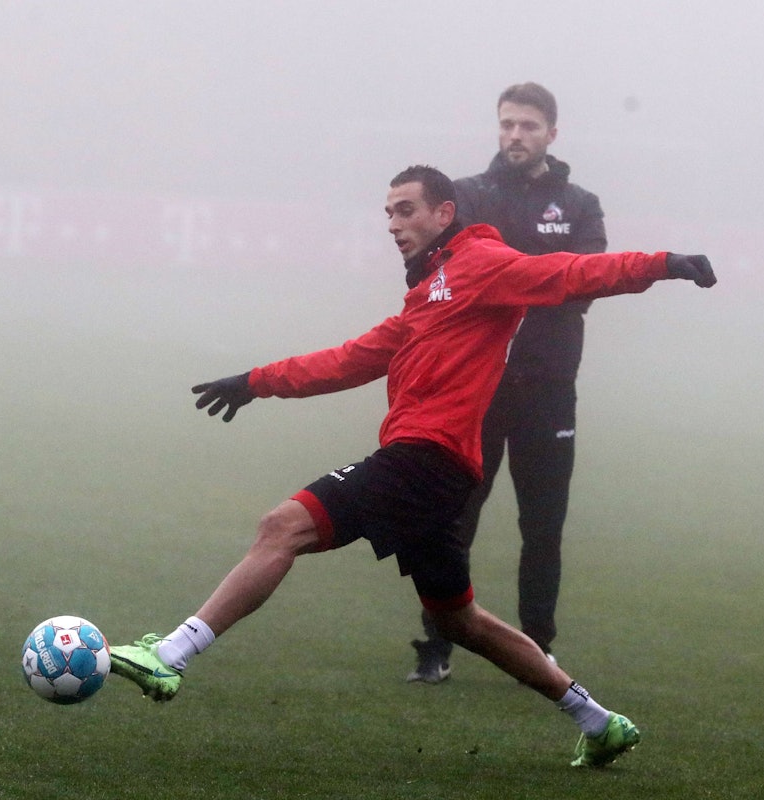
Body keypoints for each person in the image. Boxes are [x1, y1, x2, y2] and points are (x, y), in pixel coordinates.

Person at [109, 165, 716, 768]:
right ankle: (599, 721)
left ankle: (170, 655)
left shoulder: (481, 265)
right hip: (442, 472)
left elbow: (570, 272)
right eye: (388, 214)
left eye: (406, 209)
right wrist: (254, 382)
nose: (394, 224)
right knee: (460, 620)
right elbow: (345, 360)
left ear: (444, 213)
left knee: (282, 527)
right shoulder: (424, 299)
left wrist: (664, 263)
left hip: (424, 459)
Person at [407, 82, 606, 682]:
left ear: (552, 132)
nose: (515, 135)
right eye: (507, 124)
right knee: (455, 518)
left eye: (528, 125)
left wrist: (505, 280)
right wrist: (535, 279)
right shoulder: (466, 197)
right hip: (476, 390)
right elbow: (438, 273)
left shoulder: (579, 204)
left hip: (548, 390)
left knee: (542, 526)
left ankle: (539, 650)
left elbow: (587, 281)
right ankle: (437, 645)